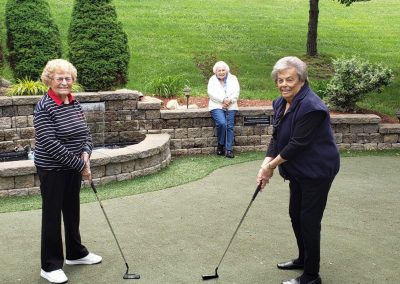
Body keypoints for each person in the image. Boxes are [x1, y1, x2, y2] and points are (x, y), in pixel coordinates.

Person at [256, 56, 340, 284]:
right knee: (296, 215)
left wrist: (271, 167)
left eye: (290, 79)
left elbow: (296, 144)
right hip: (299, 171)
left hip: (317, 170)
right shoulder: (280, 103)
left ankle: (312, 276)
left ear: (301, 80)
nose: (284, 84)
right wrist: (266, 162)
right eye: (280, 80)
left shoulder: (312, 107)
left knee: (309, 220)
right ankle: (303, 259)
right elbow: (277, 136)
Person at [34, 59, 102, 284]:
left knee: (72, 210)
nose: (64, 82)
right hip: (52, 169)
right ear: (49, 80)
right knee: (52, 214)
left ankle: (75, 253)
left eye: (68, 78)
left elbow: (86, 134)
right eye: (59, 78)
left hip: (73, 166)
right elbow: (50, 144)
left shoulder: (73, 102)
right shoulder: (44, 106)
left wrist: (86, 154)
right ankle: (50, 265)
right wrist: (80, 164)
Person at [208, 61, 240, 158]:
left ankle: (229, 149)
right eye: (219, 70)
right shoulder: (212, 80)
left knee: (229, 126)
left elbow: (236, 92)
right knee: (222, 123)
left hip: (231, 105)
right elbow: (211, 93)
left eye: (223, 70)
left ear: (226, 70)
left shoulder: (233, 78)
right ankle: (221, 144)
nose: (221, 72)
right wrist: (223, 100)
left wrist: (229, 101)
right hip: (216, 105)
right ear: (215, 72)